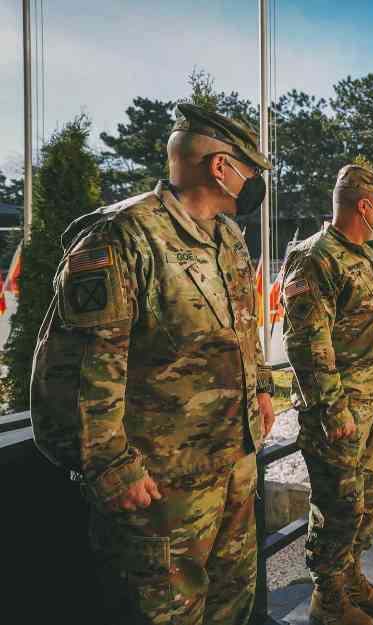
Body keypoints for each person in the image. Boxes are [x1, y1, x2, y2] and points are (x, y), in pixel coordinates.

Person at [31, 103, 276, 625]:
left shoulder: (227, 236)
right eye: (250, 168)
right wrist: (113, 467)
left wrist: (261, 388)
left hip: (232, 465)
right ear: (220, 168)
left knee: (233, 604)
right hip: (161, 488)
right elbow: (92, 366)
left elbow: (241, 325)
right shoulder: (122, 235)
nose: (254, 181)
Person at [280, 164, 373, 625]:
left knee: (369, 498)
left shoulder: (363, 254)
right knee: (338, 505)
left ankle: (351, 579)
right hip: (341, 413)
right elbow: (308, 343)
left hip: (371, 405)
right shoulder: (315, 256)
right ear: (364, 205)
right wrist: (332, 409)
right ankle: (327, 598)